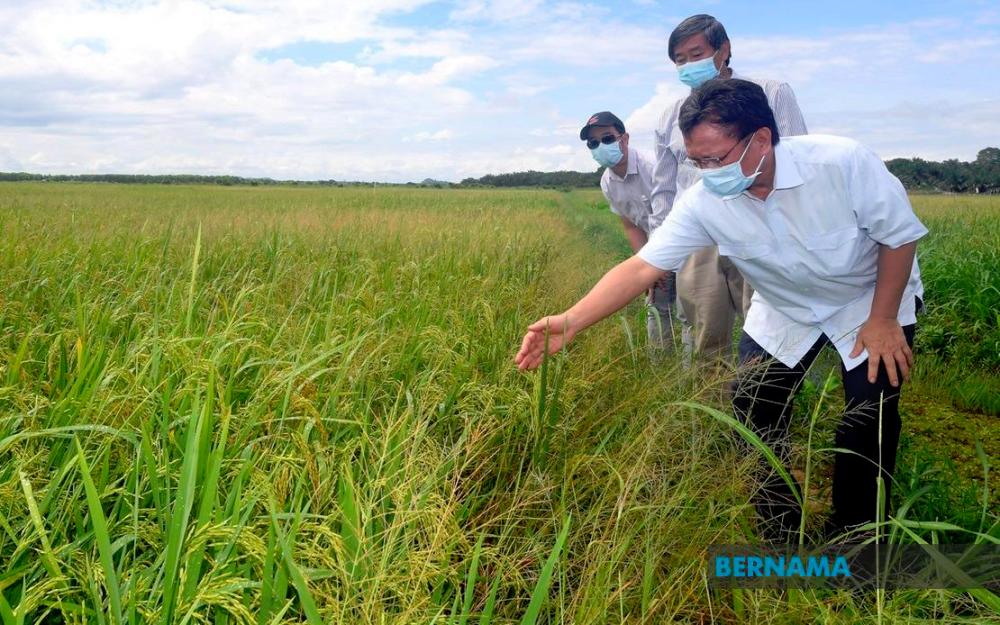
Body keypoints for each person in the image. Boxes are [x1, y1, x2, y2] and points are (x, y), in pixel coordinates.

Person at [516, 79, 926, 542]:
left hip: (868, 298)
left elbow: (898, 236)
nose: (708, 172)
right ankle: (779, 528)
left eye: (717, 158)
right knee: (751, 406)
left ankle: (855, 537)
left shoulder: (840, 162)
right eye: (697, 161)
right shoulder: (707, 201)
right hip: (785, 305)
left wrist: (884, 319)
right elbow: (640, 268)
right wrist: (570, 321)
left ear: (762, 139)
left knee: (868, 414)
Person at [651, 14, 808, 361]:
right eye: (679, 60)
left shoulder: (770, 93)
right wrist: (661, 250)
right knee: (704, 330)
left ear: (724, 51)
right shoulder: (670, 116)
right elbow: (663, 190)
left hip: (760, 228)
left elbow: (796, 159)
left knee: (773, 329)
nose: (688, 65)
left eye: (696, 54)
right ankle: (712, 411)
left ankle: (766, 407)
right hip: (700, 236)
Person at [580, 111, 676, 352]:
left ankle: (691, 378)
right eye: (593, 143)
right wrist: (647, 265)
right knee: (655, 308)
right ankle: (661, 371)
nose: (600, 146)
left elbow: (675, 217)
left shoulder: (653, 166)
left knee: (689, 315)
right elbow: (631, 225)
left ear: (625, 139)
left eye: (607, 138)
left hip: (685, 246)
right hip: (654, 252)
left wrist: (659, 261)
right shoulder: (607, 182)